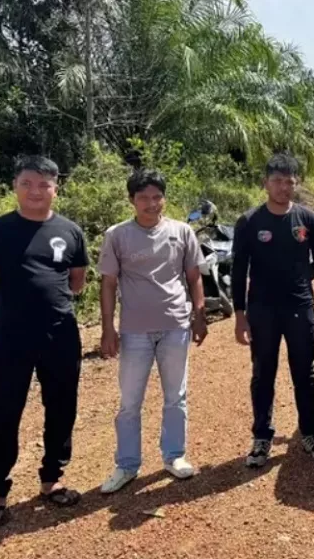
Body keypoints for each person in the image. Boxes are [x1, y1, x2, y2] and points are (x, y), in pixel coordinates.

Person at [0, 155, 88, 531]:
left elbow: (77, 279)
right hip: (10, 337)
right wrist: (8, 310)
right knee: (3, 409)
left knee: (62, 406)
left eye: (44, 184)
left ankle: (52, 479)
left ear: (56, 188)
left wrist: (49, 308)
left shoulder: (70, 231)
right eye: (28, 183)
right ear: (15, 186)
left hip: (60, 334)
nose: (36, 191)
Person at [96, 169, 209, 494]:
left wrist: (198, 316)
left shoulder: (182, 231)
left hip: (175, 325)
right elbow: (108, 283)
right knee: (130, 402)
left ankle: (174, 456)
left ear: (164, 198)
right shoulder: (117, 235)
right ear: (132, 200)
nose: (151, 203)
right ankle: (126, 465)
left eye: (156, 196)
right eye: (143, 197)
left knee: (176, 396)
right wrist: (108, 328)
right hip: (134, 331)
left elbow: (193, 277)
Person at [231, 152, 314, 467]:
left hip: (300, 308)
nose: (283, 187)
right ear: (265, 183)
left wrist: (301, 279)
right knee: (263, 373)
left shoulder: (307, 219)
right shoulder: (249, 222)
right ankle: (262, 438)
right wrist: (240, 314)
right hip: (262, 311)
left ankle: (311, 434)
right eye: (277, 180)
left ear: (296, 183)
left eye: (289, 181)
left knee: (305, 372)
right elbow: (237, 271)